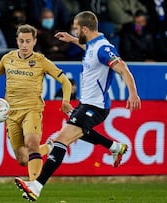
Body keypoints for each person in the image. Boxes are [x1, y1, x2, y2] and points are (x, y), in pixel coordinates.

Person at [15, 11, 141, 201]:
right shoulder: (92, 45)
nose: (74, 30)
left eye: (76, 27)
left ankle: (36, 186)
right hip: (86, 104)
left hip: (96, 106)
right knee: (77, 133)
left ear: (84, 28)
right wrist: (72, 39)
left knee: (60, 141)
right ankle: (115, 147)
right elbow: (88, 48)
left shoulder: (103, 48)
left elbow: (122, 68)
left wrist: (133, 93)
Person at [0, 24, 72, 182]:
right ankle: (48, 147)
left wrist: (65, 101)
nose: (24, 45)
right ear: (17, 41)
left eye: (28, 41)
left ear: (34, 41)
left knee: (31, 143)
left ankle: (33, 186)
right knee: (23, 159)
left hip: (32, 109)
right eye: (21, 41)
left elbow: (64, 81)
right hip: (11, 113)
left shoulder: (41, 61)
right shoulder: (8, 58)